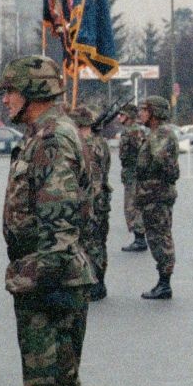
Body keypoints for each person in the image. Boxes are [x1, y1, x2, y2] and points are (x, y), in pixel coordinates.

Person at [0, 55, 95, 386]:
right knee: (50, 383)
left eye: (12, 91)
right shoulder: (42, 135)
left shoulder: (53, 138)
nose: (7, 99)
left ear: (32, 93)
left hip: (50, 280)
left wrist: (46, 279)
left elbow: (59, 221)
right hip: (42, 276)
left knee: (53, 384)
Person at [134, 95, 181, 300]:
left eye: (145, 109)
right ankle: (162, 282)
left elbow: (161, 160)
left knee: (160, 237)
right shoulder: (154, 133)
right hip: (151, 195)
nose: (141, 113)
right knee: (156, 237)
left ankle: (164, 284)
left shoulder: (161, 134)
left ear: (155, 112)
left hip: (157, 195)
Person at [71, 105, 112, 302]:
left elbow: (91, 180)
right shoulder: (101, 143)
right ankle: (100, 280)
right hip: (103, 198)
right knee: (100, 241)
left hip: (92, 200)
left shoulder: (84, 146)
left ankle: (95, 282)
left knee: (90, 242)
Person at [117, 103, 147, 253]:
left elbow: (142, 153)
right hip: (130, 173)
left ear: (128, 116)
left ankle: (140, 239)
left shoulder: (134, 131)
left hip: (134, 174)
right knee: (132, 206)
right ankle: (139, 237)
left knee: (132, 207)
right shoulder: (130, 131)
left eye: (122, 115)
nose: (119, 117)